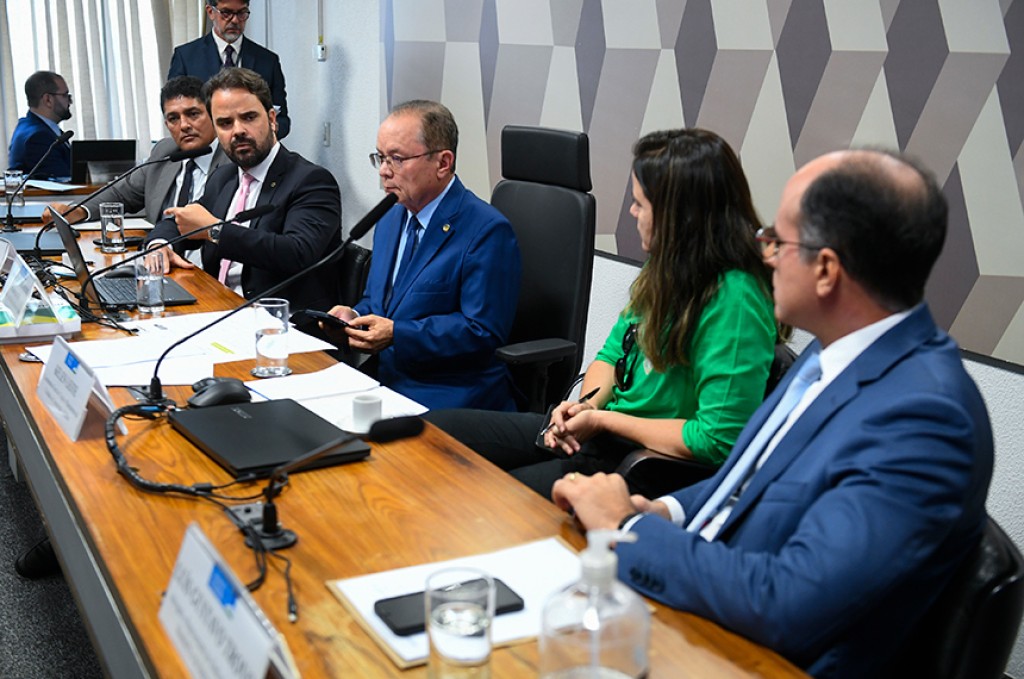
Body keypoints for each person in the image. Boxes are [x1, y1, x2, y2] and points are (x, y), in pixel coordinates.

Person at [551, 149, 994, 678]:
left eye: (777, 241)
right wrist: (660, 511)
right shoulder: (831, 353)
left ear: (826, 270)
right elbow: (746, 482)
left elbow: (789, 603)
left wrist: (627, 528)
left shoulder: (925, 418)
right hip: (709, 612)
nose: (765, 255)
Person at [427, 129, 777, 497]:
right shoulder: (669, 269)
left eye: (641, 204)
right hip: (605, 436)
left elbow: (716, 439)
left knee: (489, 498)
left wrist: (604, 420)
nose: (632, 211)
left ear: (678, 216)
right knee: (434, 432)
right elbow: (611, 355)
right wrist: (585, 406)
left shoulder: (736, 299)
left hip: (643, 464)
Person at [322, 100, 521, 410]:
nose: (384, 171)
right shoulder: (391, 217)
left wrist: (398, 334)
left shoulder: (487, 230)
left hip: (450, 392)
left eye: (397, 159)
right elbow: (380, 303)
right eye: (380, 158)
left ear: (443, 163)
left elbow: (482, 331)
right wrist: (355, 316)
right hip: (387, 378)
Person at [145, 67, 341, 312]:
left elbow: (297, 252)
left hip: (280, 320)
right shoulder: (224, 178)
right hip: (217, 307)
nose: (237, 131)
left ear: (272, 120)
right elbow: (182, 220)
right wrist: (160, 245)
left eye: (248, 117)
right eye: (225, 123)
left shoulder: (311, 180)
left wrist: (215, 231)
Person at [46, 76, 229, 226]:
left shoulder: (232, 159)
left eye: (193, 114)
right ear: (166, 124)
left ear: (212, 114)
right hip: (157, 254)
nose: (184, 125)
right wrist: (78, 211)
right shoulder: (164, 152)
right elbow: (119, 194)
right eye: (174, 118)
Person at [167, 0, 290, 140]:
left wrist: (265, 131)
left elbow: (282, 120)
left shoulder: (267, 60)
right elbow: (172, 109)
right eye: (226, 13)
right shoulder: (186, 57)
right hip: (205, 148)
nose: (235, 20)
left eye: (242, 13)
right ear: (210, 12)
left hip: (252, 148)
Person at [8, 71, 73, 180]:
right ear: (48, 99)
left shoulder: (27, 126)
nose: (70, 102)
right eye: (65, 95)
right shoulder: (38, 137)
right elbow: (65, 180)